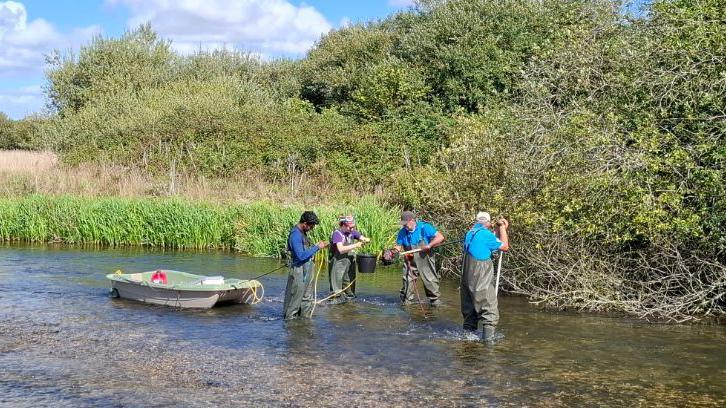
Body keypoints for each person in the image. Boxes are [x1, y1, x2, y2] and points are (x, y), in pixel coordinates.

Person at [460, 211, 509, 342]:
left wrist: (497, 229)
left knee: (470, 310)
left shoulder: (470, 233)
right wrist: (503, 228)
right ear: (488, 222)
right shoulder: (486, 235)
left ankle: (467, 341)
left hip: (467, 277)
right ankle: (488, 344)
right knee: (489, 309)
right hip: (479, 275)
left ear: (477, 221)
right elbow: (504, 246)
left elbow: (492, 242)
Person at [283, 211, 328, 320]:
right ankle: (290, 325)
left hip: (307, 269)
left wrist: (316, 245)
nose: (312, 228)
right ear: (305, 223)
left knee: (307, 298)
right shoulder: (295, 235)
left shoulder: (303, 233)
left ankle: (304, 323)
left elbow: (305, 251)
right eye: (311, 225)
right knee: (295, 300)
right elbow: (300, 256)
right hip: (298, 270)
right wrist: (317, 247)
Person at [394, 210, 445, 306]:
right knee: (407, 281)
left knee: (430, 280)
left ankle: (435, 301)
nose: (404, 226)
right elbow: (398, 246)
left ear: (412, 220)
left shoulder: (424, 227)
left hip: (424, 257)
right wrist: (393, 251)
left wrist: (429, 245)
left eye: (405, 224)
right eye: (403, 224)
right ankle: (406, 302)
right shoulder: (402, 232)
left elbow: (440, 237)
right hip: (410, 259)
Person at [328, 215, 370, 300]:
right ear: (343, 225)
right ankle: (335, 301)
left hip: (349, 262)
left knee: (349, 283)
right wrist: (356, 245)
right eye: (350, 227)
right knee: (336, 284)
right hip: (337, 262)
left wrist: (366, 240)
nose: (352, 229)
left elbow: (363, 238)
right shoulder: (337, 234)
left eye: (353, 227)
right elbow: (341, 249)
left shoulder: (353, 232)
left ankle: (349, 299)